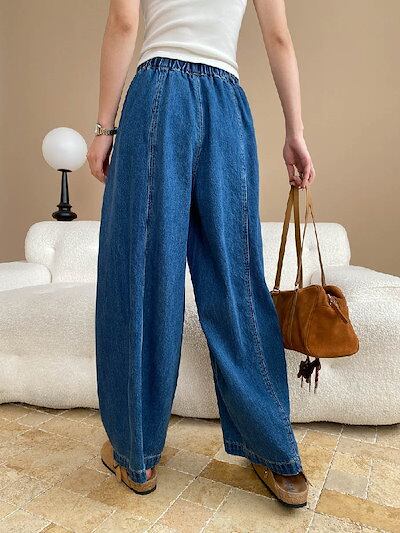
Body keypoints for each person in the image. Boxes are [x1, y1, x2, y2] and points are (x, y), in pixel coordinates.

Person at [87, 0, 315, 507]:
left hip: (157, 97)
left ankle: (137, 455)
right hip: (226, 104)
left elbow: (123, 22)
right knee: (237, 279)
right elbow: (279, 39)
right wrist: (295, 133)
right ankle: (275, 454)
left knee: (142, 274)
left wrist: (104, 129)